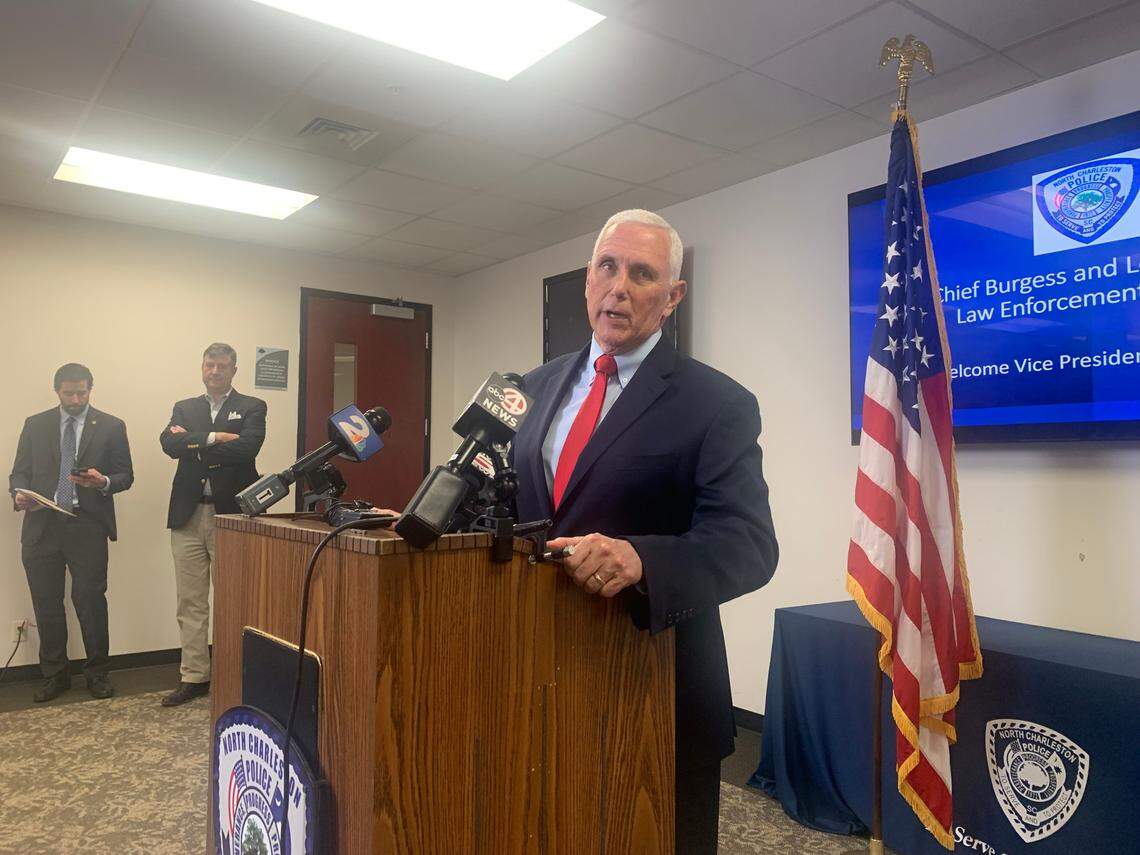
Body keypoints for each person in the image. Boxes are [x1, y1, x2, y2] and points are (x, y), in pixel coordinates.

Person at [511, 210, 778, 854]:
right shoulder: (537, 385)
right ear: (586, 280)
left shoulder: (717, 404)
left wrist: (642, 561)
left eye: (642, 274)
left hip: (658, 683)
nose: (619, 287)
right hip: (536, 671)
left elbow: (749, 544)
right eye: (607, 267)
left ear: (672, 297)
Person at [8, 363, 134, 702]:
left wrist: (103, 481)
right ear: (57, 390)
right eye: (69, 393)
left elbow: (125, 475)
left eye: (82, 391)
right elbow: (18, 473)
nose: (76, 398)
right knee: (46, 603)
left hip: (86, 525)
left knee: (90, 602)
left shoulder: (110, 425)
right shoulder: (35, 425)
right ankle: (55, 675)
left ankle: (97, 674)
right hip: (41, 525)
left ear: (91, 388)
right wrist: (19, 494)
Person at [159, 343, 266, 707]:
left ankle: (234, 673)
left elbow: (248, 449)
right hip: (188, 514)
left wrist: (193, 444)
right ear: (201, 367)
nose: (215, 371)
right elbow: (168, 444)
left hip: (231, 516)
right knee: (190, 601)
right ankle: (194, 677)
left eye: (222, 366)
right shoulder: (185, 407)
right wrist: (214, 438)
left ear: (234, 370)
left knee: (233, 598)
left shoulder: (252, 406)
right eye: (209, 364)